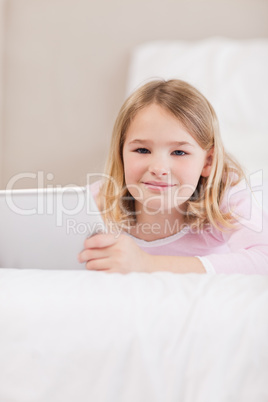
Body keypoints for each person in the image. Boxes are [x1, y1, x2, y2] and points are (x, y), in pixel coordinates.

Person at [78, 79, 268, 274]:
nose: (159, 168)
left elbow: (264, 258)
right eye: (142, 150)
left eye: (179, 152)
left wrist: (147, 264)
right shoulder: (96, 202)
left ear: (207, 162)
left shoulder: (225, 199)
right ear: (121, 155)